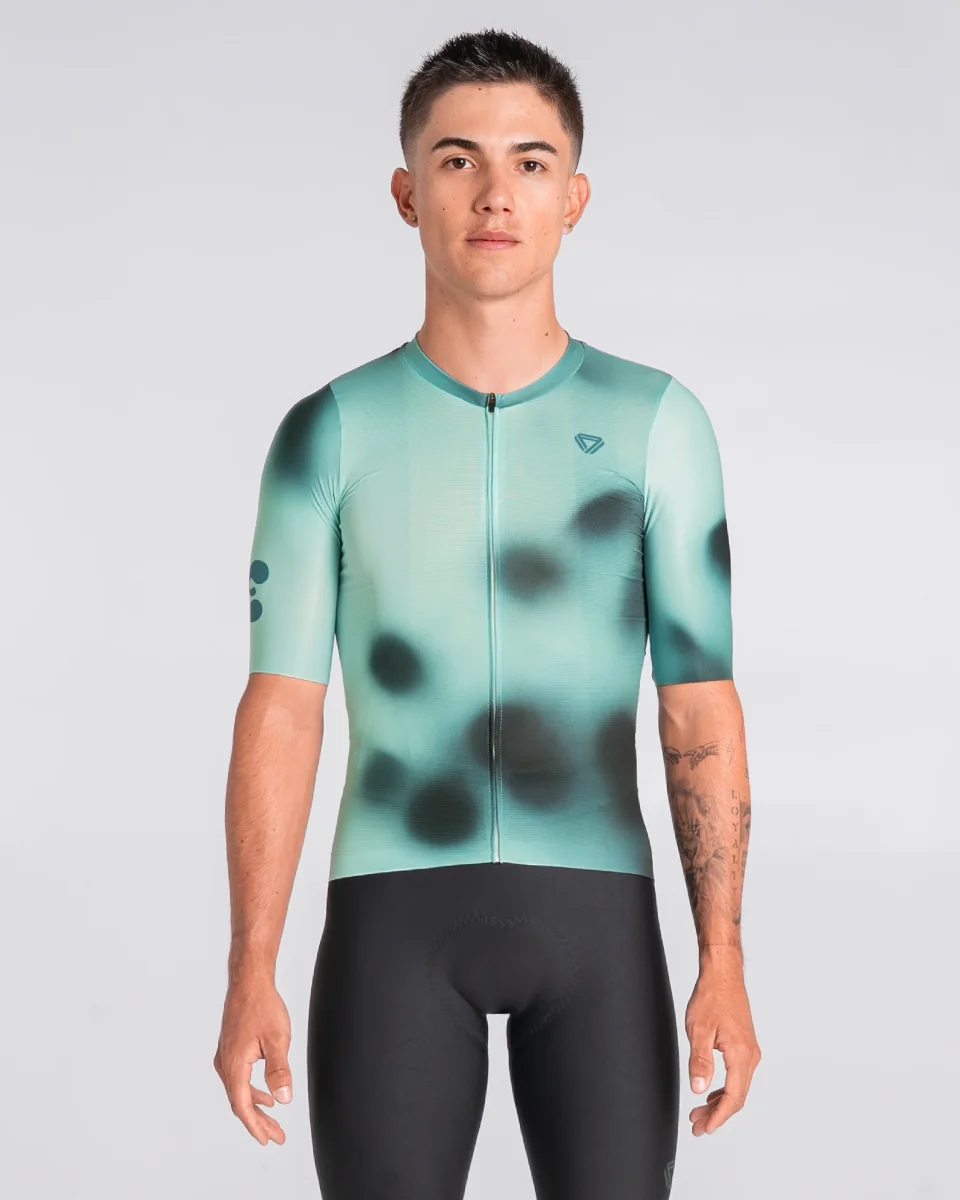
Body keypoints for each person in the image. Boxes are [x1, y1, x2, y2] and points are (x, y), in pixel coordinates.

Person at [213, 26, 760, 1199]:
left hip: (600, 924)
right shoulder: (330, 432)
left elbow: (699, 709)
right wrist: (249, 963)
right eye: (458, 160)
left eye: (530, 161)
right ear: (407, 194)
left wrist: (723, 956)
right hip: (391, 922)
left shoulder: (661, 425)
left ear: (575, 198)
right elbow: (283, 708)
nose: (495, 193)